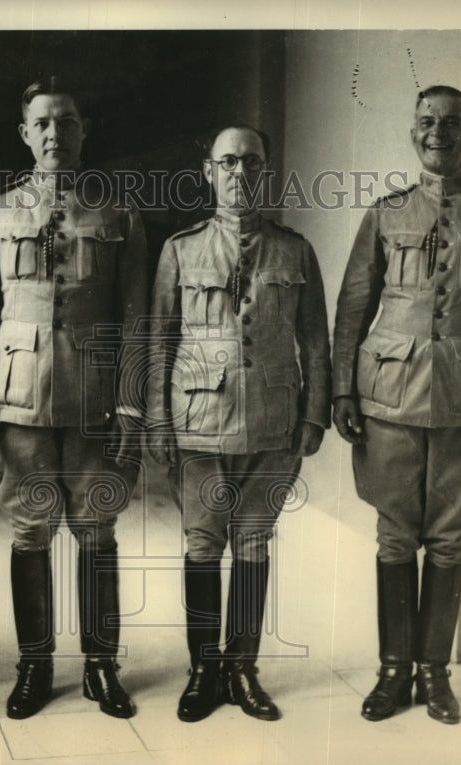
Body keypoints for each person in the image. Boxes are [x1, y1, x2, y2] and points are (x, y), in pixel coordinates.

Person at [332, 85, 461, 725]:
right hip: (388, 399)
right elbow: (352, 307)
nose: (437, 132)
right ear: (412, 132)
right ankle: (393, 673)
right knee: (395, 536)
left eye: (452, 123)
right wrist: (343, 386)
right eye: (426, 121)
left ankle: (435, 675)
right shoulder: (386, 213)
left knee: (449, 542)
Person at [0, 77, 148, 720]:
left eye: (65, 121)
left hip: (95, 402)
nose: (54, 134)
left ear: (83, 128)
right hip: (19, 401)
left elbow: (135, 320)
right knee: (30, 530)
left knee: (96, 529)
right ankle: (34, 667)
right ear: (25, 134)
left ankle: (100, 667)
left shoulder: (119, 215)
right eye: (41, 123)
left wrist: (130, 404)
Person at [147, 126, 332, 722]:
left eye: (251, 162)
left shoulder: (295, 251)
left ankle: (242, 669)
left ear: (266, 171)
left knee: (253, 543)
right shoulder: (180, 249)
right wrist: (156, 417)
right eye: (227, 162)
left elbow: (317, 345)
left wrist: (315, 415)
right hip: (198, 420)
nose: (239, 173)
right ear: (208, 171)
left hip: (274, 422)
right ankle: (204, 671)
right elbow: (158, 340)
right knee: (203, 544)